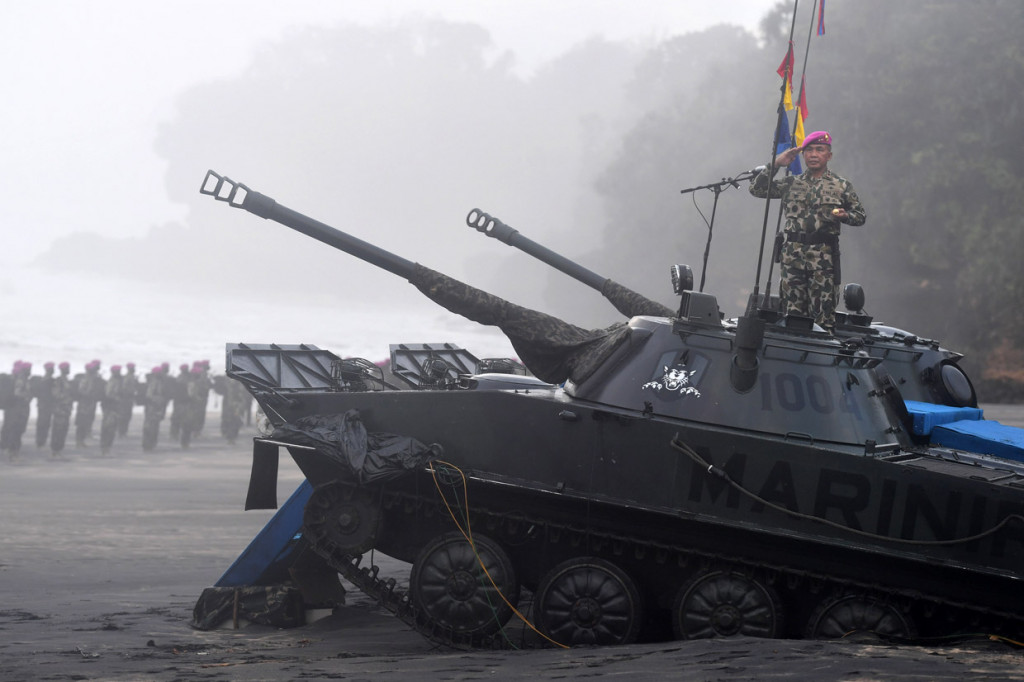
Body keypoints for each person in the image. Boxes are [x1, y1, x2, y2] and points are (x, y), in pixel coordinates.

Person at [749, 130, 866, 331]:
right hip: (792, 257)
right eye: (809, 150)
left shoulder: (841, 186)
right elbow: (757, 189)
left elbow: (860, 216)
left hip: (823, 260)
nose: (813, 154)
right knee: (792, 317)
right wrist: (776, 164)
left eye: (819, 150)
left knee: (823, 319)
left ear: (828, 155)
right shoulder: (791, 183)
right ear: (803, 155)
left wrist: (844, 216)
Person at [50, 362, 74, 457]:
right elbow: (55, 394)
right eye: (67, 368)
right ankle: (55, 450)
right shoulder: (58, 381)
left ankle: (59, 449)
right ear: (63, 369)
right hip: (60, 409)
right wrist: (66, 397)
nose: (69, 369)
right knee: (58, 430)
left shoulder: (67, 380)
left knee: (64, 429)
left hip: (66, 409)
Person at [99, 364, 124, 455]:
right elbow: (109, 394)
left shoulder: (118, 381)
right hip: (110, 408)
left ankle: (107, 447)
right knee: (108, 428)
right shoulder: (112, 382)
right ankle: (105, 448)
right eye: (118, 371)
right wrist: (118, 399)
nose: (119, 372)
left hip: (114, 408)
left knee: (112, 428)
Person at [32, 361, 56, 448]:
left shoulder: (42, 380)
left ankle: (40, 441)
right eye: (52, 368)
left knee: (42, 423)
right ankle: (41, 441)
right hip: (46, 405)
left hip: (42, 404)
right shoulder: (51, 381)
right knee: (44, 423)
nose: (53, 370)